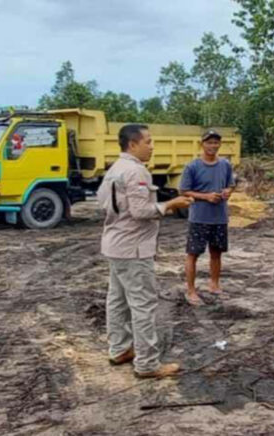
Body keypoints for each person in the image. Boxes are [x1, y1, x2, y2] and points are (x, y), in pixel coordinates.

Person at [97, 124, 193, 378]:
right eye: (148, 142)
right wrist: (171, 204)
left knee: (117, 300)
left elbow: (103, 203)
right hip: (133, 249)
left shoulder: (115, 169)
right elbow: (141, 211)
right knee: (143, 305)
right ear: (133, 144)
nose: (152, 147)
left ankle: (119, 348)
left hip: (116, 244)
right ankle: (148, 364)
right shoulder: (136, 171)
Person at [179, 130, 236, 306]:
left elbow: (230, 185)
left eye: (216, 143)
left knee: (216, 253)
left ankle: (214, 284)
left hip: (219, 217)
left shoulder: (225, 164)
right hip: (199, 218)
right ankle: (190, 290)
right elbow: (183, 191)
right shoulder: (192, 167)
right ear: (202, 144)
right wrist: (206, 196)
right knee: (193, 254)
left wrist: (228, 191)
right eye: (209, 142)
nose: (213, 146)